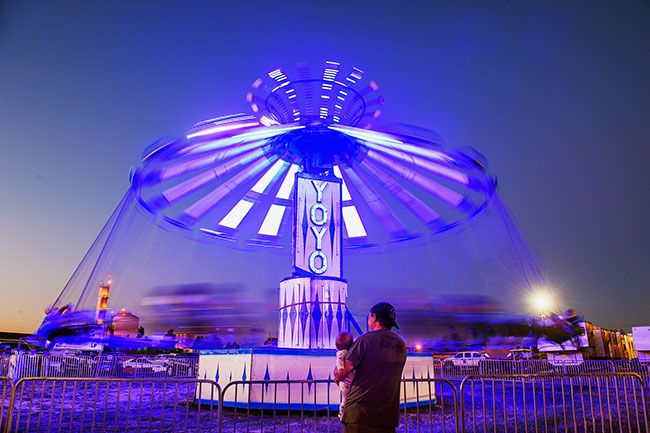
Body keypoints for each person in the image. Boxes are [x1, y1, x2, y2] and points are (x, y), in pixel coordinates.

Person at [334, 302, 407, 433]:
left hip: (360, 415)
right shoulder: (401, 345)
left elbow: (342, 373)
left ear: (373, 316)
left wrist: (339, 360)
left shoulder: (365, 340)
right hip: (387, 417)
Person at [335, 331, 355, 420]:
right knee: (345, 400)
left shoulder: (347, 352)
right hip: (345, 382)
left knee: (347, 399)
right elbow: (339, 361)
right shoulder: (342, 352)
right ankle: (342, 415)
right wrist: (341, 369)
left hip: (348, 381)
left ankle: (345, 414)